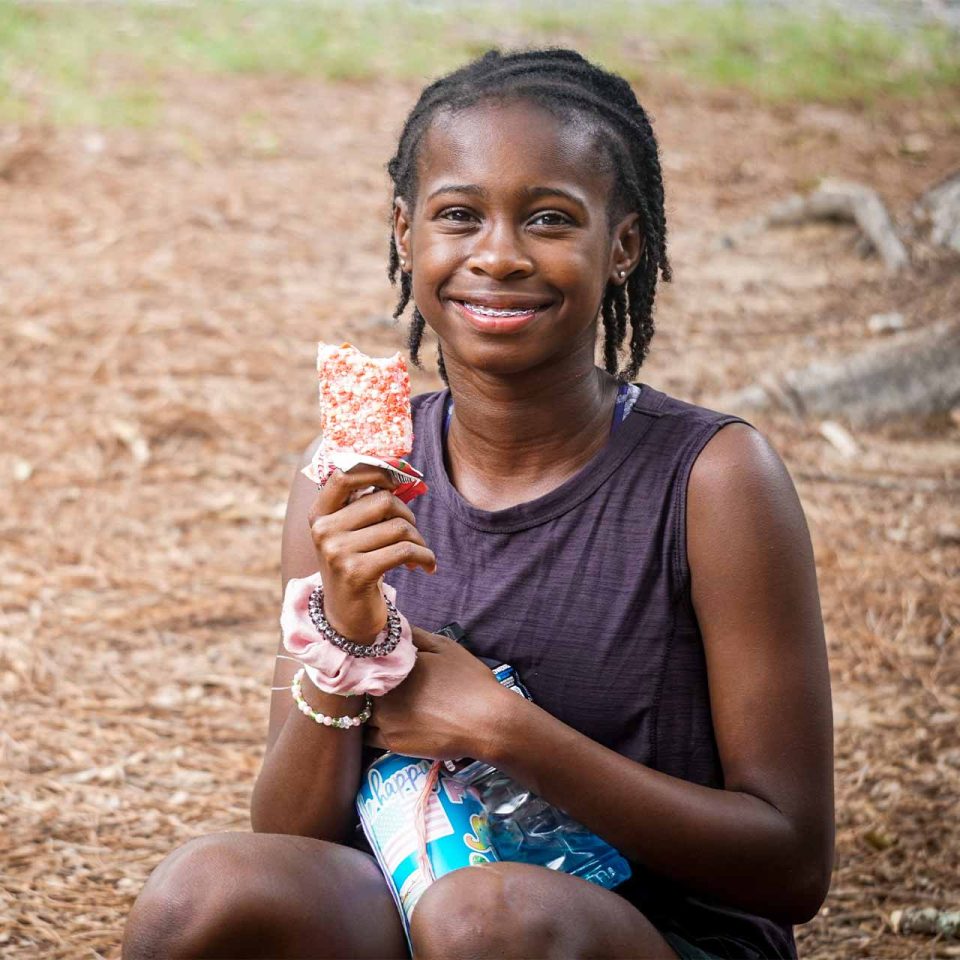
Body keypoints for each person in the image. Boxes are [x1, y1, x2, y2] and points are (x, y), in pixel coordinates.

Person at [122, 48, 834, 959]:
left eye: (548, 219)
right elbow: (292, 830)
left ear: (622, 245)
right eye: (459, 216)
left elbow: (792, 865)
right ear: (405, 233)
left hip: (654, 929)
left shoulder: (714, 480)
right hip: (416, 904)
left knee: (483, 921)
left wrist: (504, 730)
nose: (497, 255)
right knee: (202, 896)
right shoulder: (351, 476)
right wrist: (345, 638)